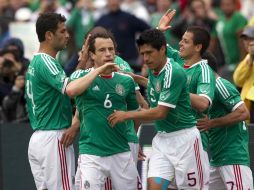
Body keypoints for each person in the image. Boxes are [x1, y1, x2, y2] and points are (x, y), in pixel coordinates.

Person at [108, 28, 207, 190]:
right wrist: (135, 77)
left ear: (163, 49)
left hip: (185, 141)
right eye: (142, 54)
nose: (145, 59)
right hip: (162, 139)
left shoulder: (173, 72)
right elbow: (156, 88)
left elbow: (160, 112)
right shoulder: (156, 70)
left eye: (149, 53)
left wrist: (126, 115)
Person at [66, 29, 142, 189]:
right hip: (91, 154)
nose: (108, 53)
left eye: (111, 49)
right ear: (92, 55)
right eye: (102, 50)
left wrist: (132, 136)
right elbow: (71, 91)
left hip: (121, 152)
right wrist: (99, 70)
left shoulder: (125, 80)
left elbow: (136, 113)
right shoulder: (80, 76)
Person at [25, 12, 79, 190]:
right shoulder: (47, 62)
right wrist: (96, 71)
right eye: (62, 31)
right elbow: (71, 89)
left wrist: (82, 59)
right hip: (54, 138)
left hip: (39, 138)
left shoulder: (36, 62)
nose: (67, 35)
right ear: (49, 35)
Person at [197, 52, 253, 189]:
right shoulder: (206, 90)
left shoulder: (220, 84)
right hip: (217, 159)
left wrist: (211, 123)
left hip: (233, 157)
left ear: (205, 69)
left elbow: (243, 112)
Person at [233, 26, 254, 123]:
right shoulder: (248, 58)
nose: (248, 42)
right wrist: (250, 59)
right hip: (249, 105)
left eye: (251, 39)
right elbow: (238, 80)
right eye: (245, 39)